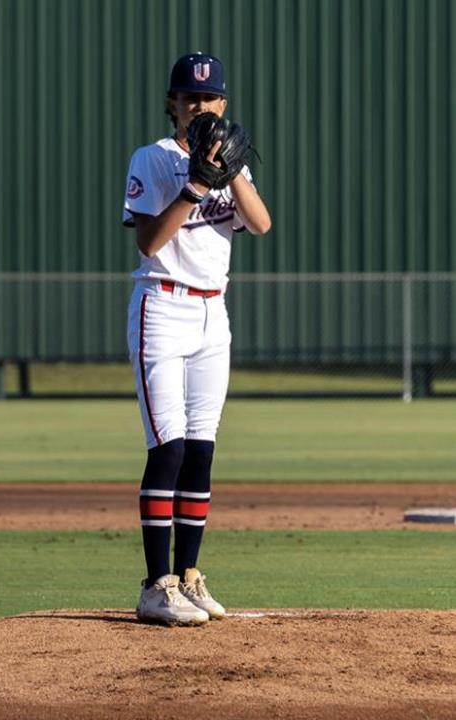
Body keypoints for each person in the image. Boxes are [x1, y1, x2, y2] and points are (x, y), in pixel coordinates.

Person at [123, 51, 271, 625]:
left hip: (215, 314)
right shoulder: (152, 159)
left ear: (223, 104)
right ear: (172, 105)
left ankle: (188, 576)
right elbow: (148, 243)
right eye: (188, 98)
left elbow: (260, 224)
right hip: (162, 307)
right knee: (169, 448)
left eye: (208, 99)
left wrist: (228, 171)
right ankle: (155, 584)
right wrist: (192, 187)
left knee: (202, 452)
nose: (198, 106)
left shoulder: (231, 160)